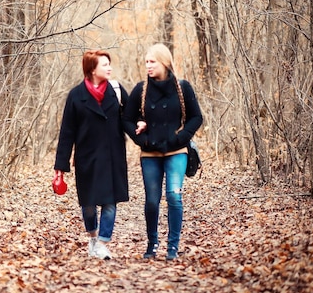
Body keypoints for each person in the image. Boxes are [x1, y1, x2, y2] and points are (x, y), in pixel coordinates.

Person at [122, 43, 203, 261]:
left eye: (152, 62)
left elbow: (196, 117)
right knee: (152, 200)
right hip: (150, 153)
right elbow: (127, 120)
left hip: (177, 151)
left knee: (174, 196)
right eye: (146, 62)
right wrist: (142, 140)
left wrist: (181, 137)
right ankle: (152, 244)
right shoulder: (141, 90)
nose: (148, 66)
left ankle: (173, 247)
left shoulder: (183, 87)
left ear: (165, 63)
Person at [54, 50, 129, 260]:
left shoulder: (116, 90)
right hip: (87, 158)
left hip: (113, 156)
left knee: (110, 202)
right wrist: (61, 165)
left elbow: (132, 116)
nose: (109, 68)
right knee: (88, 205)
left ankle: (103, 242)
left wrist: (144, 131)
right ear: (92, 69)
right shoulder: (76, 96)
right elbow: (67, 132)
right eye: (104, 65)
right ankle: (94, 237)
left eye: (109, 64)